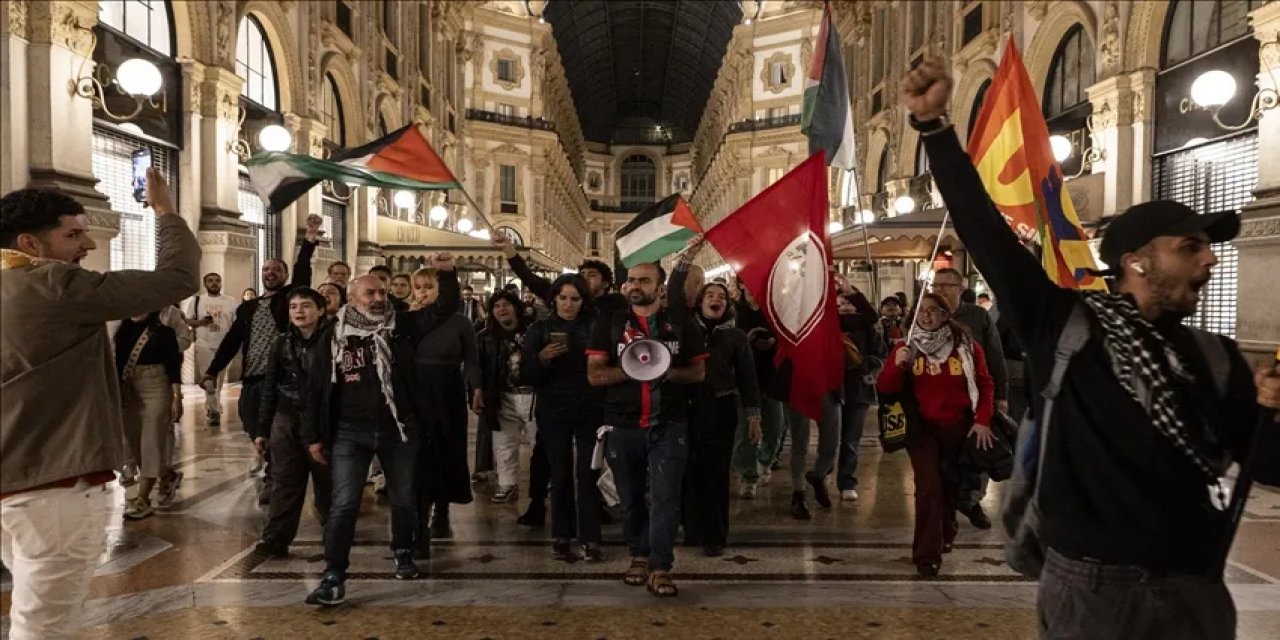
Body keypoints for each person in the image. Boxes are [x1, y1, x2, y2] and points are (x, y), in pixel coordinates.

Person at [902, 58, 1280, 636]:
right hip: (1095, 593)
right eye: (1191, 246)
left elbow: (1264, 463)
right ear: (1137, 262)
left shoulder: (1216, 357)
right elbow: (986, 231)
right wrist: (934, 128)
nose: (1208, 259)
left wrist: (1273, 414)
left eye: (1208, 248)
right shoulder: (1068, 324)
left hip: (1194, 587)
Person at [0, 169, 199, 639]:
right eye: (73, 234)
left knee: (33, 615)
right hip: (54, 490)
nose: (87, 246)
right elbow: (178, 277)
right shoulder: (53, 286)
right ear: (29, 244)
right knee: (44, 626)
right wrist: (166, 211)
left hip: (12, 486)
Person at [300, 273, 432, 606]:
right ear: (351, 298)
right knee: (344, 504)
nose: (378, 298)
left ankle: (403, 550)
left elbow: (441, 310)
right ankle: (333, 574)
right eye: (369, 293)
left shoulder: (400, 328)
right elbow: (315, 391)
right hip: (349, 432)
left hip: (397, 428)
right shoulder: (333, 336)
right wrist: (313, 436)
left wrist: (443, 273)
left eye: (382, 292)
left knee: (403, 498)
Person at [588, 262, 707, 598]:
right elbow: (594, 375)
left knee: (666, 497)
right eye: (631, 280)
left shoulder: (681, 323)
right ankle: (638, 554)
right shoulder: (611, 323)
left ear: (660, 287)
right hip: (623, 423)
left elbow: (698, 373)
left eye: (644, 280)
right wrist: (634, 367)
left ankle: (660, 565)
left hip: (669, 423)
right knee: (629, 497)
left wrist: (665, 371)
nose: (635, 285)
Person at [203, 215, 322, 503]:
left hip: (282, 378)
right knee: (253, 425)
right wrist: (212, 371)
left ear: (284, 275)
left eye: (276, 269)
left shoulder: (288, 300)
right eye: (266, 269)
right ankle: (272, 464)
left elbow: (302, 273)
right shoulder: (248, 307)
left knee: (276, 429)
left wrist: (308, 241)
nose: (270, 273)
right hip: (253, 378)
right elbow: (232, 341)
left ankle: (275, 475)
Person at [877, 293, 995, 577]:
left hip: (958, 427)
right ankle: (926, 555)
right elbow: (886, 387)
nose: (926, 315)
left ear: (946, 314)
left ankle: (946, 532)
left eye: (934, 310)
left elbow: (985, 384)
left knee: (950, 485)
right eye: (922, 311)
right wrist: (897, 364)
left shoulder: (967, 347)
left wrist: (982, 421)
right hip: (922, 430)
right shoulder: (907, 347)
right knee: (928, 488)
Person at [669, 243, 761, 558]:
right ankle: (691, 529)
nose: (716, 299)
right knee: (688, 470)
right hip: (687, 406)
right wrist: (686, 260)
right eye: (710, 295)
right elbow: (672, 294)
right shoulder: (686, 327)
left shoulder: (735, 337)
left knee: (716, 473)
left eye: (721, 297)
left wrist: (753, 416)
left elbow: (748, 378)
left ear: (727, 305)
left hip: (720, 410)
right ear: (698, 302)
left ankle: (715, 534)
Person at [521, 275, 605, 561]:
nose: (568, 304)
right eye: (564, 297)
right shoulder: (539, 329)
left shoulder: (595, 328)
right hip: (553, 409)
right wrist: (542, 358)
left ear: (584, 301)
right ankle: (561, 533)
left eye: (575, 299)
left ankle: (590, 536)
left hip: (589, 408)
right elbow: (524, 374)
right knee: (559, 475)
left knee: (587, 473)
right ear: (554, 298)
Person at [254, 288, 333, 557]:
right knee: (285, 480)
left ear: (321, 310)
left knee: (328, 483)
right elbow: (270, 387)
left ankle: (334, 537)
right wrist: (262, 429)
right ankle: (275, 539)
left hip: (324, 420)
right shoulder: (281, 343)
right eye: (294, 306)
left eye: (306, 305)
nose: (299, 311)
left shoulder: (334, 340)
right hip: (288, 418)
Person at [930, 267, 1007, 530]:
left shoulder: (976, 316)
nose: (939, 290)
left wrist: (1001, 396)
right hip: (937, 402)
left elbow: (994, 357)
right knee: (944, 462)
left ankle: (971, 500)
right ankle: (947, 512)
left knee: (978, 453)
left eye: (945, 285)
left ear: (960, 288)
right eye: (935, 285)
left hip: (974, 399)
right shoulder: (926, 314)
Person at [408, 266, 476, 543]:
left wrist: (477, 389)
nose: (423, 293)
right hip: (416, 392)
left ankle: (443, 508)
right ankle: (420, 514)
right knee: (419, 454)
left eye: (429, 287)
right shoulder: (407, 320)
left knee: (447, 449)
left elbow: (471, 359)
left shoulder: (461, 323)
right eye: (419, 287)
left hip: (448, 392)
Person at [115, 310, 185, 520]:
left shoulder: (164, 333)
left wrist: (177, 397)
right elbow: (118, 364)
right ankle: (167, 474)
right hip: (130, 389)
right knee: (134, 443)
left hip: (157, 387)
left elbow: (174, 366)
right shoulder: (122, 331)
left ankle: (143, 498)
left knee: (151, 441)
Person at [474, 290, 534, 504]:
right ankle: (507, 484)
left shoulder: (533, 331)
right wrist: (477, 392)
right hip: (501, 396)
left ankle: (544, 482)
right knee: (504, 443)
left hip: (532, 395)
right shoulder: (484, 337)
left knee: (540, 442)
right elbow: (476, 368)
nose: (501, 309)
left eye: (505, 305)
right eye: (496, 306)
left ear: (516, 307)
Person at [729, 281, 788, 499]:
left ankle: (766, 459)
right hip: (744, 379)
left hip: (771, 377)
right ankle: (748, 475)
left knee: (775, 426)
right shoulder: (734, 311)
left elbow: (788, 337)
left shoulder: (774, 311)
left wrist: (774, 341)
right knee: (746, 430)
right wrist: (748, 339)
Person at [835, 283, 884, 502]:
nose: (845, 306)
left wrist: (862, 363)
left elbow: (881, 355)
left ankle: (847, 481)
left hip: (858, 390)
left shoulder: (866, 328)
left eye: (850, 302)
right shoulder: (829, 326)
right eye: (842, 302)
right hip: (832, 390)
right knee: (830, 439)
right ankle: (823, 473)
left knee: (850, 440)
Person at [186, 272, 239, 426]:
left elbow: (236, 323)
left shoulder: (230, 301)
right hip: (204, 345)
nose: (214, 283)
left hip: (224, 346)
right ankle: (215, 411)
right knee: (209, 381)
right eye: (210, 281)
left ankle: (211, 406)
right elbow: (189, 321)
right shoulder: (197, 301)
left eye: (217, 280)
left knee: (219, 381)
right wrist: (201, 322)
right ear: (205, 283)